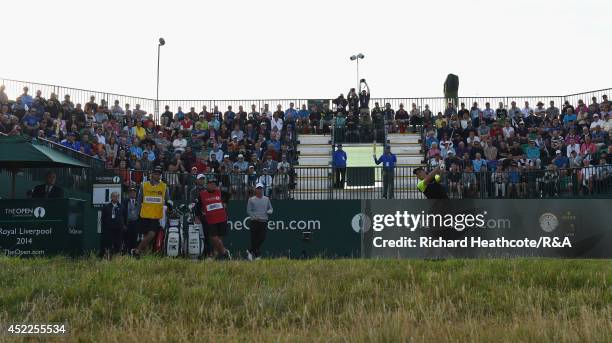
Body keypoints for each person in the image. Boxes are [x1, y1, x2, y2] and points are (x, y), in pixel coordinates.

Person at [131, 166, 171, 258]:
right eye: (156, 174)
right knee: (146, 238)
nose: (158, 176)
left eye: (159, 174)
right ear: (152, 174)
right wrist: (137, 213)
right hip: (144, 215)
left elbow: (168, 201)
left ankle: (137, 250)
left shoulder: (164, 187)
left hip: (156, 216)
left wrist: (170, 208)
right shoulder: (144, 185)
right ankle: (144, 256)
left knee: (152, 234)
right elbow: (139, 200)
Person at [195, 178, 232, 260]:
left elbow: (229, 195)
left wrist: (225, 203)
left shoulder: (220, 192)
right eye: (211, 184)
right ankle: (225, 252)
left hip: (222, 218)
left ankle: (215, 255)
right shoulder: (202, 194)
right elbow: (198, 207)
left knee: (219, 238)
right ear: (207, 185)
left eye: (214, 184)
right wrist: (197, 217)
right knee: (214, 238)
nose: (213, 185)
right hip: (211, 220)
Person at [246, 183, 273, 261]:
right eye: (258, 188)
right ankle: (257, 255)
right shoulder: (251, 199)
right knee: (254, 239)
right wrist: (254, 217)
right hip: (254, 221)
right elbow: (249, 211)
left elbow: (271, 208)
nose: (259, 190)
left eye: (261, 189)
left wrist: (269, 211)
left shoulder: (266, 199)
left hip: (263, 221)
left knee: (262, 237)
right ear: (255, 190)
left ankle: (250, 251)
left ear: (262, 190)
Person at [100, 192, 126, 258]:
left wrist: (123, 225)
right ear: (111, 197)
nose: (116, 198)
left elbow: (124, 217)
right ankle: (108, 257)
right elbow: (103, 219)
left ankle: (117, 258)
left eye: (117, 196)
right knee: (108, 245)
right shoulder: (106, 207)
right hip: (109, 229)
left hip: (119, 229)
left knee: (118, 244)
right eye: (114, 196)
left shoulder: (122, 206)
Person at [121, 187, 140, 253]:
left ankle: (134, 253)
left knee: (135, 240)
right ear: (128, 194)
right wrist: (123, 224)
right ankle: (127, 253)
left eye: (134, 192)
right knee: (127, 240)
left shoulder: (139, 202)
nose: (132, 194)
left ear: (136, 194)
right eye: (131, 192)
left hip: (136, 223)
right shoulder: (125, 202)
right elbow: (122, 214)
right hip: (128, 223)